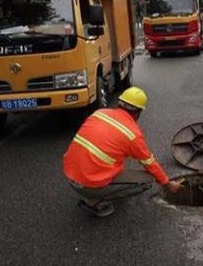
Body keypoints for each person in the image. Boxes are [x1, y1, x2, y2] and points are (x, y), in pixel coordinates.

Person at [63, 86, 182, 217]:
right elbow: (150, 163)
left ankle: (98, 190)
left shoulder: (99, 113)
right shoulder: (131, 134)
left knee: (111, 160)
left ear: (120, 104)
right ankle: (96, 202)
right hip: (87, 184)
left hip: (69, 174)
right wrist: (167, 183)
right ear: (138, 112)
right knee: (147, 180)